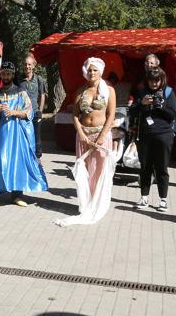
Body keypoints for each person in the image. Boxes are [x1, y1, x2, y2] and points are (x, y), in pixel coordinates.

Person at [55, 57, 117, 226]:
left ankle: (98, 204)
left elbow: (111, 115)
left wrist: (102, 135)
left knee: (99, 170)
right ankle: (86, 203)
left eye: (95, 70)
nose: (92, 73)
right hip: (83, 136)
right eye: (89, 70)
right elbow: (75, 115)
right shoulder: (81, 91)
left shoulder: (109, 90)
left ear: (100, 72)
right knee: (85, 172)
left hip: (100, 136)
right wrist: (81, 133)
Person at [0, 61, 48, 207]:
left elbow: (28, 113)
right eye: (4, 73)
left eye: (9, 73)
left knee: (17, 163)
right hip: (0, 136)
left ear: (13, 75)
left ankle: (17, 196)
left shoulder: (21, 92)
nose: (6, 76)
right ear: (0, 75)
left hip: (17, 136)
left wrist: (14, 112)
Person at [129, 67, 176, 211]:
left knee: (161, 167)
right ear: (147, 80)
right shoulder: (142, 92)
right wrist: (141, 103)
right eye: (151, 80)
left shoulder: (169, 92)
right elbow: (131, 111)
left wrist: (160, 106)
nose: (154, 83)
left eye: (157, 80)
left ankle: (163, 199)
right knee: (145, 168)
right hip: (145, 135)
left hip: (163, 136)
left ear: (162, 80)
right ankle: (144, 198)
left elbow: (172, 114)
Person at [19, 54, 47, 159]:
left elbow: (42, 95)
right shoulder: (19, 79)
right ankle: (25, 156)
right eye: (25, 64)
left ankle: (37, 157)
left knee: (36, 136)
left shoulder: (39, 79)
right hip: (22, 112)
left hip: (35, 111)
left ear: (33, 66)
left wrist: (40, 110)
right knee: (24, 134)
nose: (27, 66)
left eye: (29, 64)